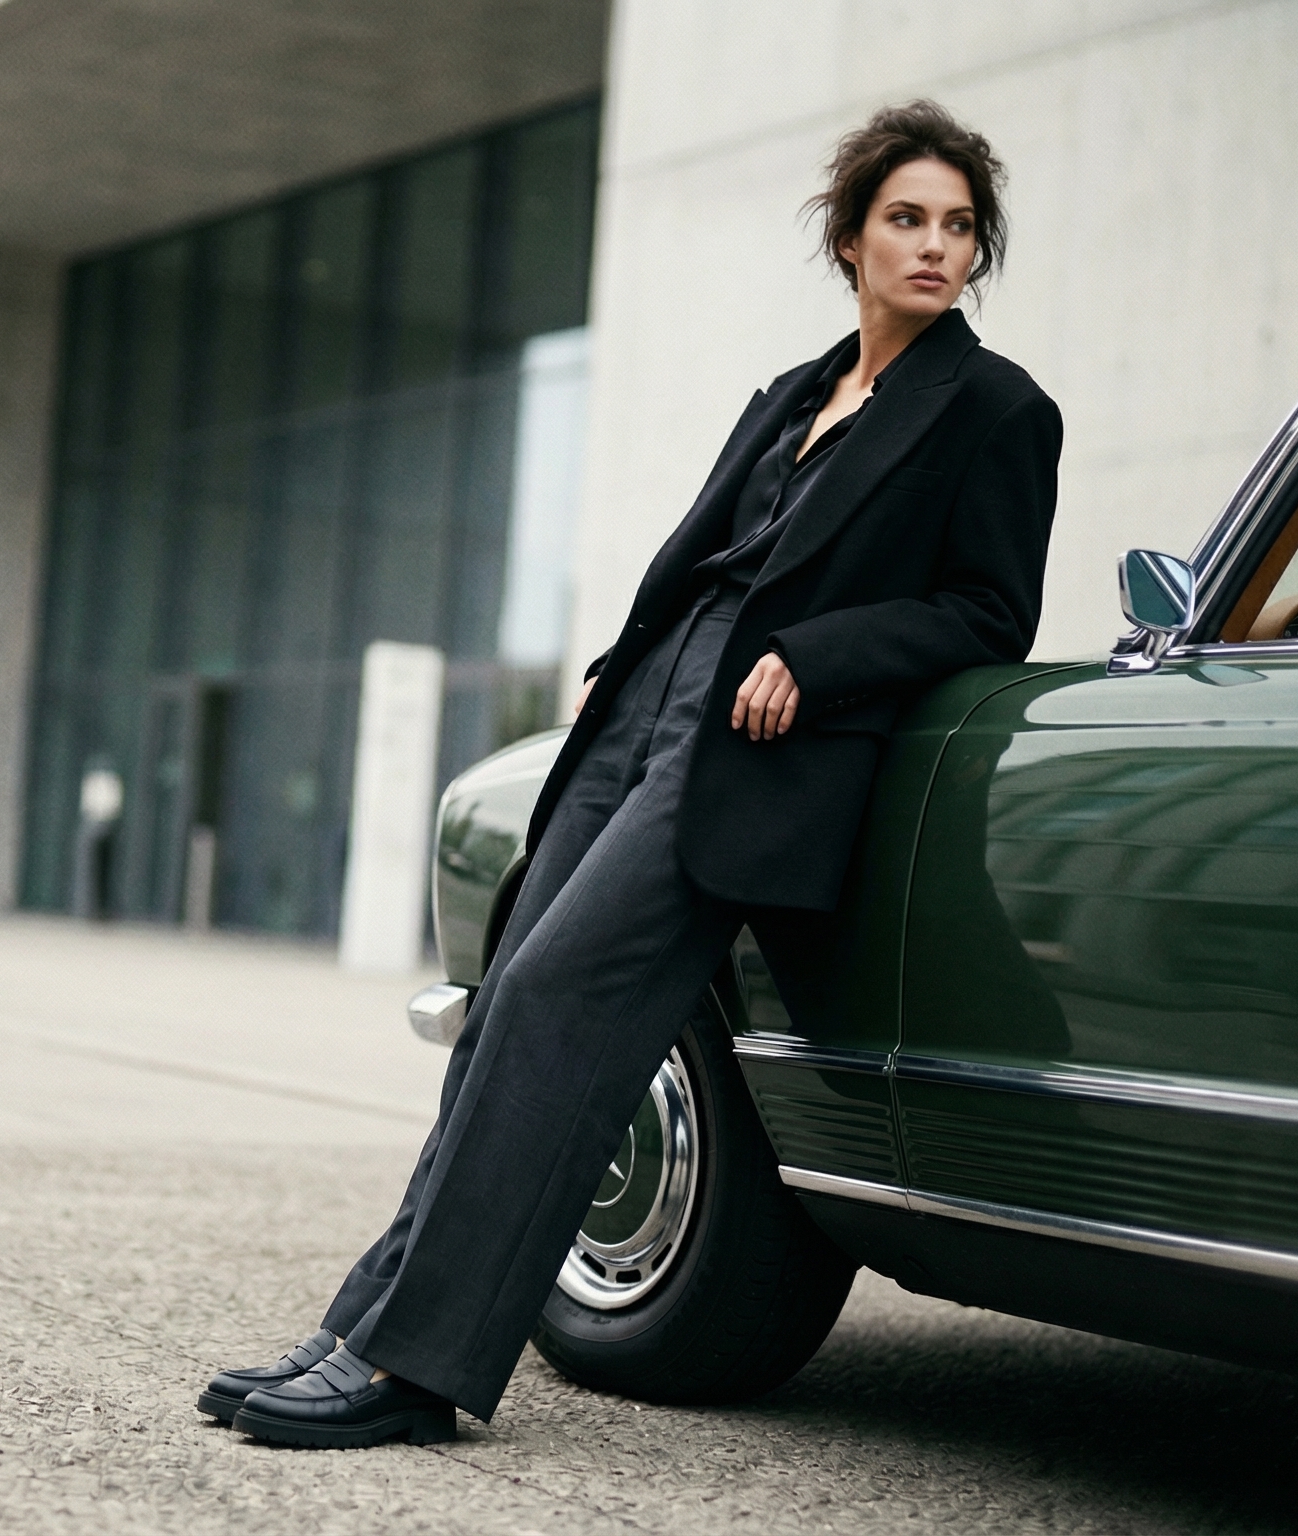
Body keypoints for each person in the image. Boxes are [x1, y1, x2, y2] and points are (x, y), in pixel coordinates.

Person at [201, 99, 1062, 1449]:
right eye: (908, 218)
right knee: (497, 1016)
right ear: (850, 237)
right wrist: (618, 671)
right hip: (647, 710)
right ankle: (361, 1327)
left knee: (552, 1004)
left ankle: (418, 1372)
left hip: (755, 751)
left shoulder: (998, 409)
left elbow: (986, 610)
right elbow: (702, 561)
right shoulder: (794, 393)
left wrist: (824, 657)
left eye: (959, 227)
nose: (935, 246)